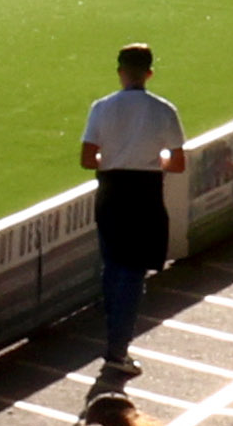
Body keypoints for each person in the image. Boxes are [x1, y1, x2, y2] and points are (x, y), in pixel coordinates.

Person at [80, 45, 188, 375]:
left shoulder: (102, 107)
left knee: (113, 268)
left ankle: (114, 341)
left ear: (120, 72)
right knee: (132, 273)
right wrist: (154, 160)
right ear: (149, 73)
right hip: (145, 194)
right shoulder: (163, 110)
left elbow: (88, 159)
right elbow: (177, 163)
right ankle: (117, 350)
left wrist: (114, 160)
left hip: (111, 191)